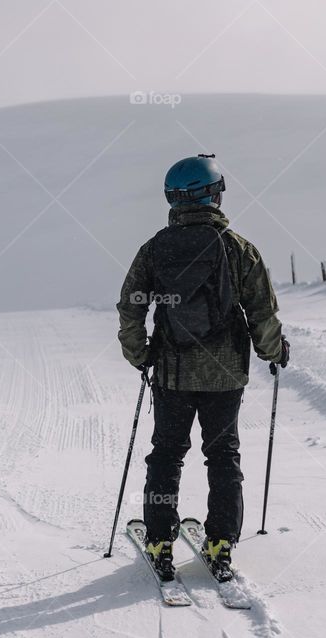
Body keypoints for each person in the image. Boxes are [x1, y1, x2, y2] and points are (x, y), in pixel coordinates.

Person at [116, 154, 290, 582]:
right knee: (223, 455)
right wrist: (273, 352)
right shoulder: (238, 248)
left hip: (172, 374)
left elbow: (131, 307)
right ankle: (221, 542)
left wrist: (140, 355)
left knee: (166, 455)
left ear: (173, 199)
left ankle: (159, 540)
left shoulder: (155, 248)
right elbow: (262, 313)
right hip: (226, 375)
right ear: (214, 193)